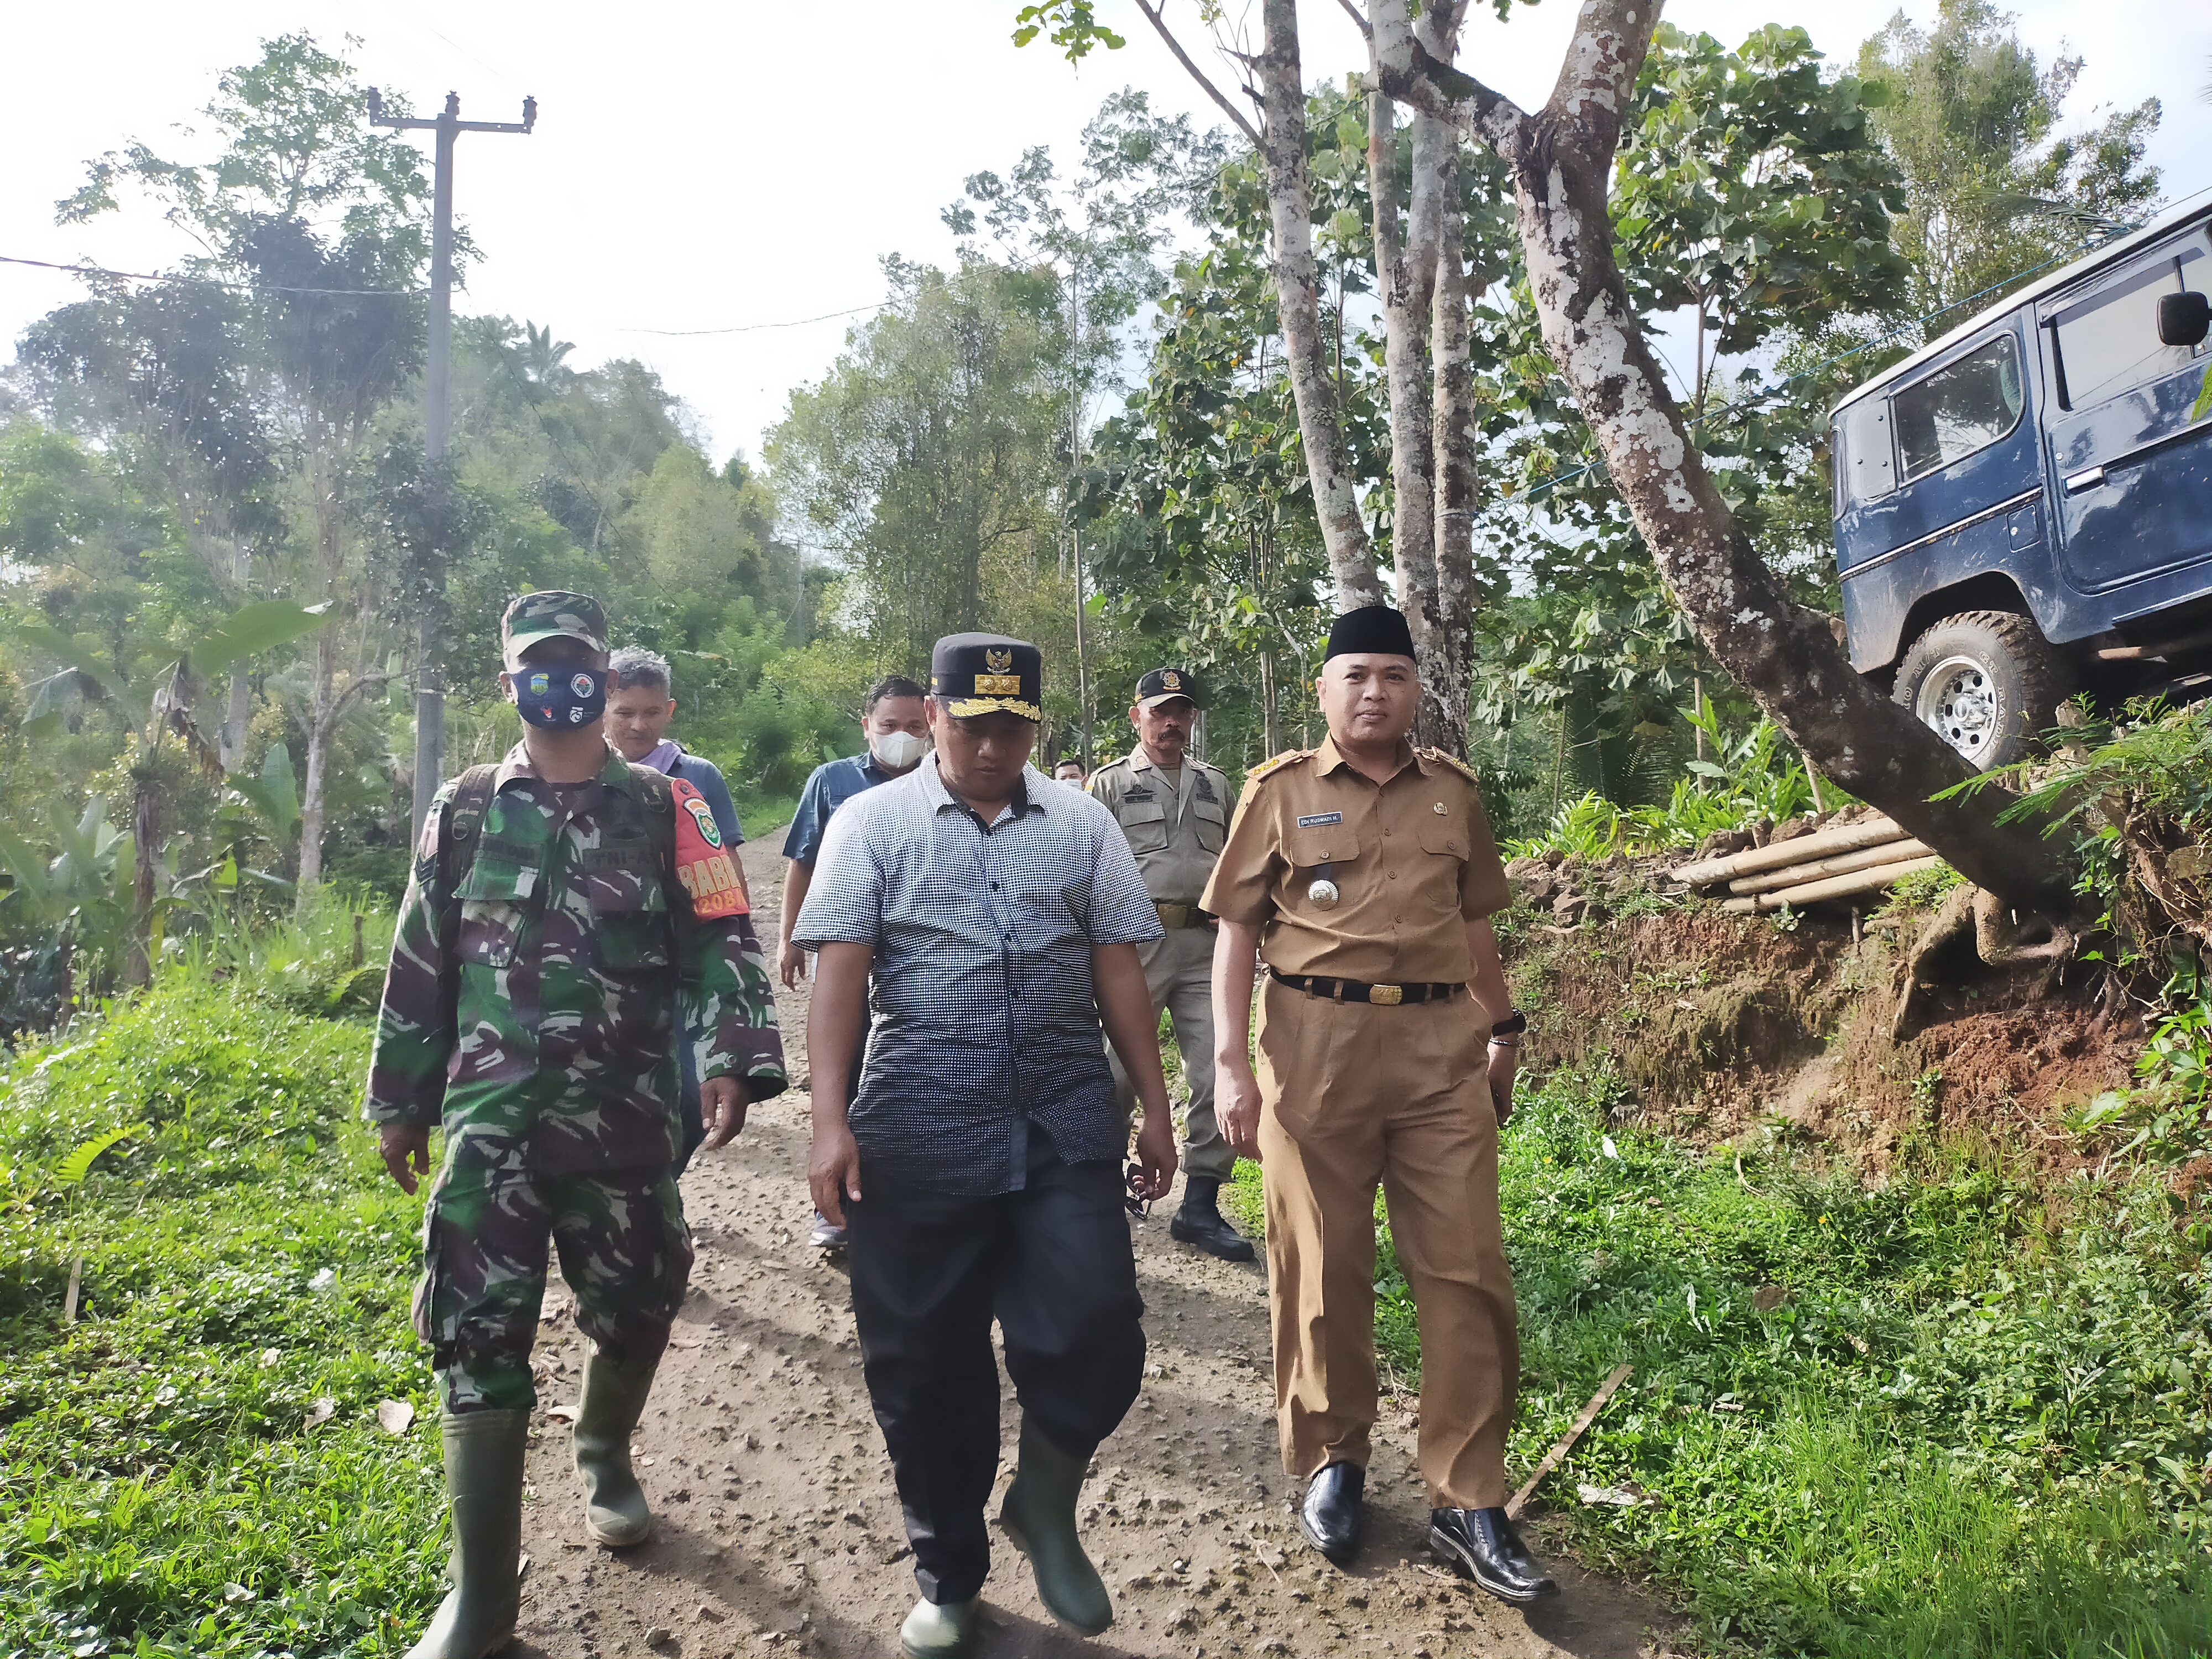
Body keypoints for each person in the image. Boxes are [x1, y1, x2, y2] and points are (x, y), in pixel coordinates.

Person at [364, 591, 787, 1659]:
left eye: (578, 664)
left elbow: (725, 938)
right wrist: (399, 1098)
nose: (561, 682)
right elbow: (421, 958)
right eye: (538, 667)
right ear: (508, 684)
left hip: (626, 1118)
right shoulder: (462, 810)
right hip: (489, 1122)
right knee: (476, 1330)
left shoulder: (665, 808)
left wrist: (737, 1054)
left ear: (604, 677)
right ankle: (482, 1605)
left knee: (643, 1296)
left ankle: (603, 1448)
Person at [794, 632, 1178, 1659]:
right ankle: (948, 1575)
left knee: (1097, 1325)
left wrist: (1155, 1104)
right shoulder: (869, 825)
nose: (995, 744)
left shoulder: (1084, 823)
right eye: (975, 724)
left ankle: (1044, 1503)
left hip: (1064, 1116)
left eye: (1015, 725)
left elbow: (1118, 971)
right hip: (918, 1122)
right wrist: (829, 1125)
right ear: (932, 717)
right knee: (925, 1366)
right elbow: (839, 977)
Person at [1200, 604, 1556, 1605]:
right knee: (1322, 1264)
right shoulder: (1279, 794)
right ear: (1324, 689)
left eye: (1393, 676)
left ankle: (1469, 1497)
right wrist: (1231, 1068)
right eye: (1355, 675)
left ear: (1415, 690)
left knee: (1467, 1269)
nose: (1374, 693)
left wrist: (1505, 1029)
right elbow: (1235, 933)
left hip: (1442, 1055)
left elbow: (1474, 924)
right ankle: (1331, 1462)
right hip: (1315, 1051)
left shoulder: (1454, 794)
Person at [1086, 668, 1253, 1262]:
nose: (1172, 722)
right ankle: (1097, 1188)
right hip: (1131, 946)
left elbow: (1241, 861)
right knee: (1116, 1070)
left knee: (1216, 1072)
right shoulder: (1108, 786)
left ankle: (1201, 1204)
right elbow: (1083, 865)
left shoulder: (1216, 785)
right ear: (1137, 717)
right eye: (1160, 711)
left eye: (1181, 712)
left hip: (1206, 951)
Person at [779, 674, 930, 1250]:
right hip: (842, 951)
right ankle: (834, 1205)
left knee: (896, 1071)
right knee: (840, 1069)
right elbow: (802, 861)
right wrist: (790, 937)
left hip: (912, 956)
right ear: (866, 725)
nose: (902, 738)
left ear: (933, 723)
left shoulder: (945, 781)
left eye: (914, 727)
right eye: (889, 726)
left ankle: (901, 1193)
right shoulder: (832, 781)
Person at [605, 644, 746, 1176]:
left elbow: (725, 871)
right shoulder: (577, 773)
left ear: (671, 709)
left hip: (680, 967)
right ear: (602, 707)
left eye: (651, 712)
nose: (638, 725)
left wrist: (734, 951)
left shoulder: (698, 777)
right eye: (624, 713)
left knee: (686, 1104)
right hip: (608, 971)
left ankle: (655, 1192)